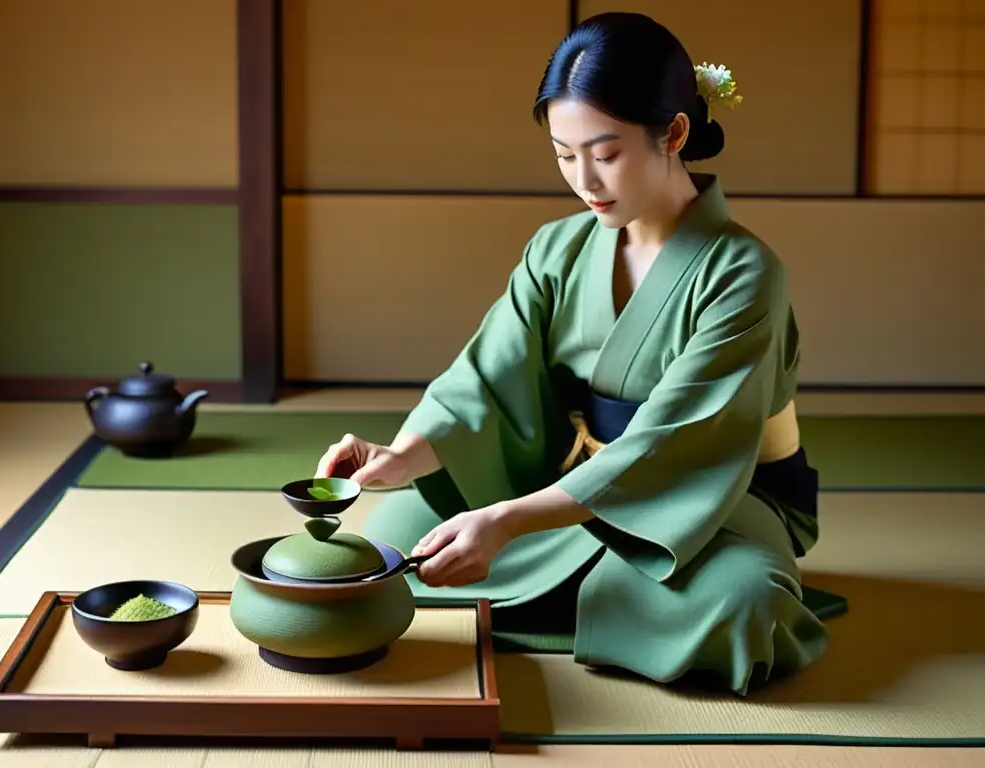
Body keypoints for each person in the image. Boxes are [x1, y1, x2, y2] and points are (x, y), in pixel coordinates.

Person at [314, 12, 828, 696]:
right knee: (402, 525)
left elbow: (677, 441)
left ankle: (567, 578)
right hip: (574, 481)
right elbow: (485, 378)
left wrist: (505, 520)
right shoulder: (558, 248)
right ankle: (597, 592)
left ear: (673, 133)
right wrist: (399, 457)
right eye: (563, 154)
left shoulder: (742, 272)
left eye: (605, 152)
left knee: (747, 608)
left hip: (710, 494)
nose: (584, 178)